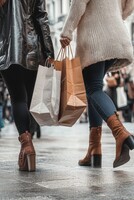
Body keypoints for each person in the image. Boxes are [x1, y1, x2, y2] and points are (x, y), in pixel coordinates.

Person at [60, 0, 134, 168]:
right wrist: (114, 17)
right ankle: (95, 149)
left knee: (93, 89)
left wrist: (67, 32)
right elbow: (130, 4)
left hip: (94, 39)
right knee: (93, 89)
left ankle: (120, 132)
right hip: (116, 35)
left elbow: (78, 3)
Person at [0, 0, 54, 171]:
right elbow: (41, 17)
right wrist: (49, 51)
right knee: (31, 100)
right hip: (33, 47)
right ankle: (28, 145)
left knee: (18, 99)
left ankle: (26, 144)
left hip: (8, 48)